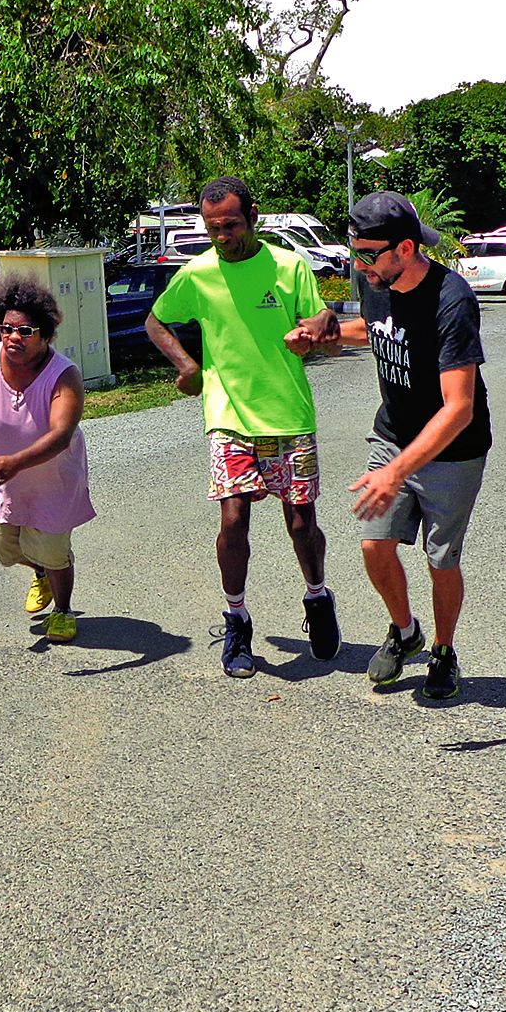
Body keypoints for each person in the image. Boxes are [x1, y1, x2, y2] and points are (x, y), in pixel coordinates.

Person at [145, 176, 343, 679]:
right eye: (212, 227)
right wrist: (187, 366)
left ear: (253, 216)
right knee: (233, 520)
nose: (221, 236)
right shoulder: (198, 274)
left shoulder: (288, 265)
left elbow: (318, 322)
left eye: (230, 225)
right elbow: (156, 321)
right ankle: (236, 619)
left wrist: (316, 329)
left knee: (301, 524)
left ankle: (318, 597)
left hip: (288, 413)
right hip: (227, 415)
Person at [314, 192, 492, 702]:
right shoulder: (379, 281)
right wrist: (325, 336)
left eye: (368, 254)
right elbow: (375, 330)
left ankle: (443, 650)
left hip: (453, 450)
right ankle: (404, 630)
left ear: (406, 249)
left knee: (441, 560)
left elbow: (458, 408)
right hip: (393, 434)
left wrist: (395, 473)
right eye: (355, 252)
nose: (358, 265)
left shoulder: (452, 300)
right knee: (374, 544)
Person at [0, 278, 95, 644]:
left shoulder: (64, 375)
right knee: (7, 550)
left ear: (45, 335)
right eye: (6, 329)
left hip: (54, 481)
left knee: (53, 552)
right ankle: (41, 574)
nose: (13, 337)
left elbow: (60, 435)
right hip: (7, 479)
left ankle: (62, 610)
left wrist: (15, 462)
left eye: (25, 331)